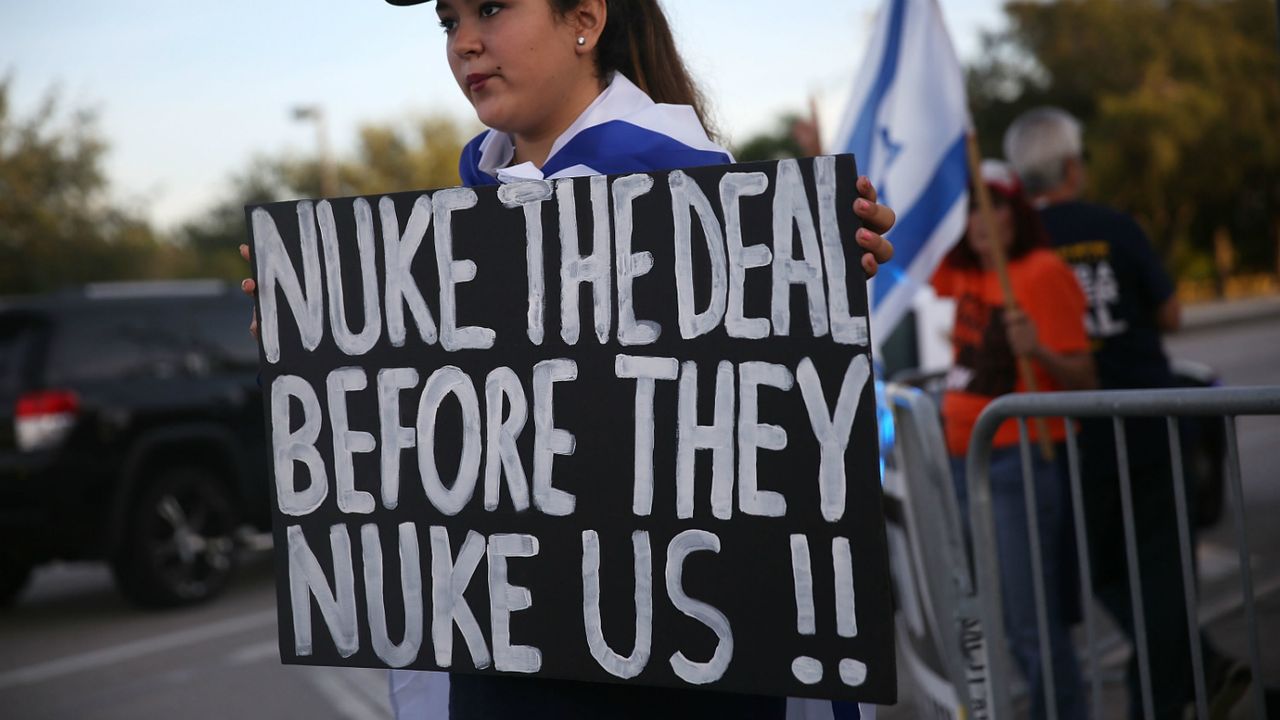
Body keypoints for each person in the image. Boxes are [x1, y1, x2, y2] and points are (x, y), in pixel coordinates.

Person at [240, 1, 897, 718]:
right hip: (501, 672)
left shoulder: (722, 209)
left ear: (585, 17)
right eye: (447, 19)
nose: (464, 42)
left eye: (491, 7)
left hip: (688, 677)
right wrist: (323, 345)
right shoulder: (446, 244)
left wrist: (813, 287)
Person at [1004, 107, 1237, 719]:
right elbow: (1170, 315)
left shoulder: (1022, 251)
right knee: (1159, 572)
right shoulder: (1116, 226)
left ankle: (1169, 691)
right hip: (1151, 420)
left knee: (1113, 574)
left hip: (1077, 437)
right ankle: (1198, 667)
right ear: (1072, 166)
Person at [932, 161, 1095, 720]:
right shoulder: (968, 274)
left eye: (993, 204)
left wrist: (1041, 351)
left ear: (1016, 213)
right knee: (998, 616)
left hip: (1020, 463)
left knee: (1030, 622)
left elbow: (1085, 380)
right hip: (966, 464)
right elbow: (900, 251)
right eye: (972, 207)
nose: (981, 219)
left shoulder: (1043, 271)